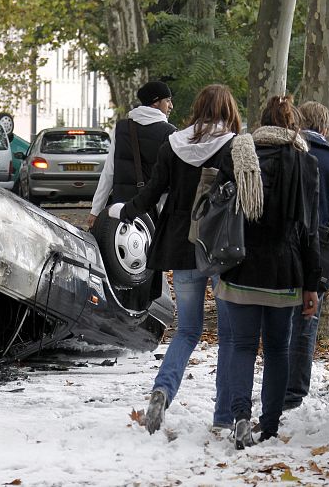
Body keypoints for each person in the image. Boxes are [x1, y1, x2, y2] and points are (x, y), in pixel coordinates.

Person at [109, 84, 243, 433]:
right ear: (229, 110)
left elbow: (152, 191)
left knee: (186, 331)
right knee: (229, 335)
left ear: (197, 107)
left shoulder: (175, 143)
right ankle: (223, 417)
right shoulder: (233, 146)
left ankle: (162, 391)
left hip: (182, 247)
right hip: (221, 249)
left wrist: (127, 211)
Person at [213, 96, 320, 449]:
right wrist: (312, 284)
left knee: (242, 346)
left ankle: (241, 416)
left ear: (262, 122)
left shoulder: (239, 155)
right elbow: (310, 230)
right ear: (294, 125)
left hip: (240, 267)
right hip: (284, 273)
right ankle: (269, 424)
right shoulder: (305, 162)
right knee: (277, 350)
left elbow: (220, 206)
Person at [283, 101, 329, 411]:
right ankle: (294, 392)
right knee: (305, 322)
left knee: (276, 320)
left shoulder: (284, 152)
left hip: (278, 248)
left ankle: (274, 385)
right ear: (326, 129)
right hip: (318, 254)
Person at [87, 80, 176, 229]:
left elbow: (109, 171)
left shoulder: (122, 128)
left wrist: (96, 210)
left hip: (122, 211)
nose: (171, 106)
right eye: (167, 101)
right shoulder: (170, 132)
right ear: (155, 103)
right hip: (155, 212)